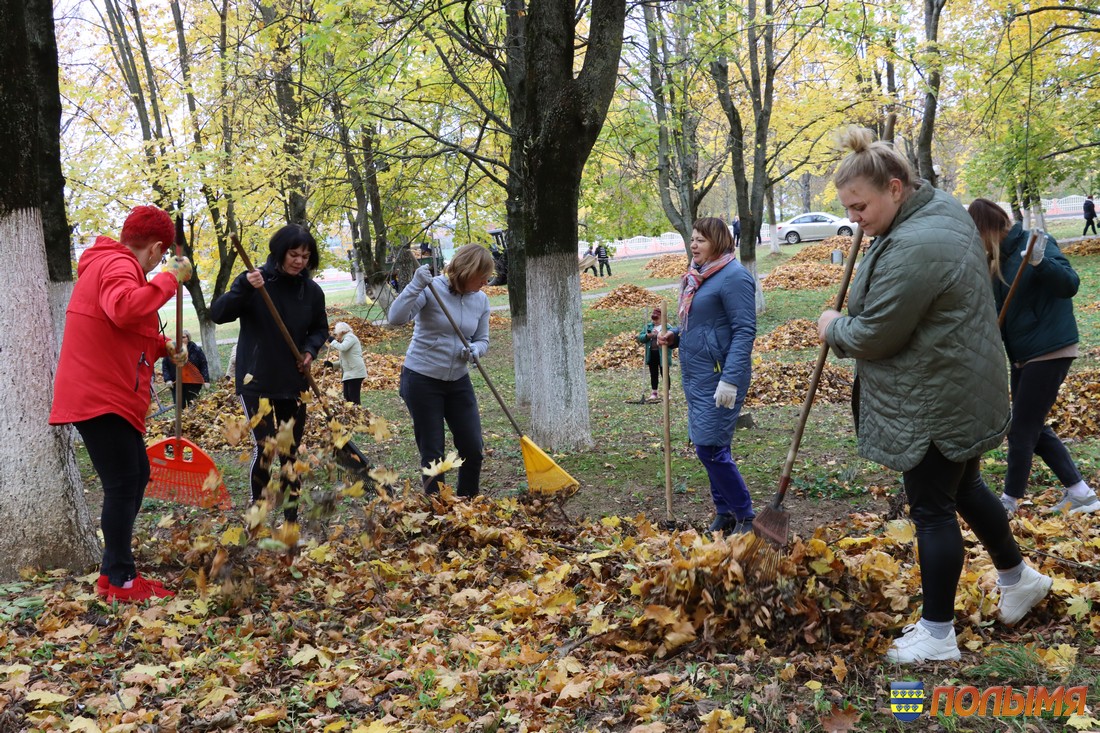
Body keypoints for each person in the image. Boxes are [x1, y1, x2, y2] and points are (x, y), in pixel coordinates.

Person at [817, 127, 1051, 664]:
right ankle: (1019, 578)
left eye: (860, 206)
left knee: (931, 509)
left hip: (933, 396)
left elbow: (875, 333)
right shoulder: (939, 210)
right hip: (958, 378)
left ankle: (938, 633)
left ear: (895, 188)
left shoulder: (918, 244)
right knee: (965, 487)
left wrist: (833, 325)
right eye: (849, 209)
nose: (854, 219)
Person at [49, 205, 191, 603]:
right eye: (160, 259)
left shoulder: (112, 265)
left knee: (134, 475)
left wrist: (164, 348)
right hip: (99, 395)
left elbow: (123, 327)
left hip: (105, 392)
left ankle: (113, 575)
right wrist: (168, 280)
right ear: (156, 248)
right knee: (122, 482)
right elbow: (125, 308)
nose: (158, 266)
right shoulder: (117, 265)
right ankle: (122, 579)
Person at [968, 198, 1100, 516]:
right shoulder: (995, 259)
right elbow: (999, 312)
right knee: (1033, 426)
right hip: (1023, 353)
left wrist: (1042, 262)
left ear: (987, 229)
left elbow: (1069, 284)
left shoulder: (1033, 245)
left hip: (1050, 348)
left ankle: (1008, 503)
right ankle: (1082, 493)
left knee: (1021, 429)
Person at [210, 224, 328, 524]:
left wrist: (310, 351)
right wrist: (244, 287)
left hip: (293, 382)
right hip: (256, 381)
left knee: (289, 452)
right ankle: (258, 513)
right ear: (280, 252)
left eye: (305, 256)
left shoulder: (311, 291)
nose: (299, 261)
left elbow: (319, 329)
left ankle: (291, 518)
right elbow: (218, 314)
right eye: (293, 254)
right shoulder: (255, 281)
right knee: (265, 450)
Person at [656, 217, 756, 534]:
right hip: (697, 376)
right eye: (692, 239)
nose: (693, 245)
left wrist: (730, 378)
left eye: (701, 239)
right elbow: (698, 324)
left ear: (718, 242)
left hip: (720, 377)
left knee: (709, 448)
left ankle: (745, 516)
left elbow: (744, 331)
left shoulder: (734, 277)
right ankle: (724, 511)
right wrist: (674, 335)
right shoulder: (696, 277)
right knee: (710, 446)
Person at [388, 244, 493, 497]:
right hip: (422, 379)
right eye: (482, 277)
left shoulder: (480, 299)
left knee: (472, 446)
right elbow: (395, 318)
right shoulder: (431, 288)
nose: (485, 282)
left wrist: (475, 351)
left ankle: (468, 502)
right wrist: (415, 285)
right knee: (433, 451)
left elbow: (483, 339)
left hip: (458, 380)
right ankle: (437, 509)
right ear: (467, 271)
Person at [161, 329, 210, 407]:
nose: (180, 339)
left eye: (183, 337)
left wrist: (206, 380)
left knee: (194, 405)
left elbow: (203, 364)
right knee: (179, 406)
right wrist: (168, 379)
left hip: (193, 383)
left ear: (188, 338)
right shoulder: (172, 349)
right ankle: (181, 419)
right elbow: (165, 365)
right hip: (176, 384)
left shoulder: (196, 350)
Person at [636, 306, 671, 401]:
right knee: (653, 373)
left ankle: (667, 392)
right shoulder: (649, 327)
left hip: (662, 354)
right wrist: (648, 335)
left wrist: (661, 335)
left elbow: (671, 338)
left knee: (664, 373)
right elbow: (641, 337)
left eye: (657, 319)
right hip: (651, 353)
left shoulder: (667, 327)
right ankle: (654, 392)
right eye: (653, 319)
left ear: (662, 318)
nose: (655, 321)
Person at [328, 321, 367, 405]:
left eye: (337, 333)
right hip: (349, 373)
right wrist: (332, 364)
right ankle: (353, 415)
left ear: (342, 331)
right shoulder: (346, 340)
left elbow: (343, 348)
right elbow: (345, 360)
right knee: (347, 397)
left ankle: (358, 415)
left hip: (355, 372)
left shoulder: (350, 337)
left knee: (353, 398)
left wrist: (333, 342)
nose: (337, 336)